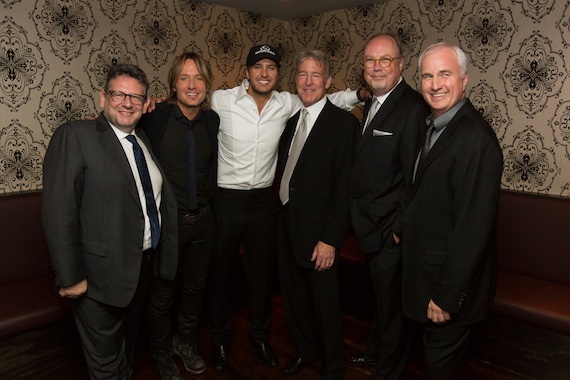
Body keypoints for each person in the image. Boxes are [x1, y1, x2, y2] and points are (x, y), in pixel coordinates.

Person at [207, 44, 363, 371]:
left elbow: (327, 104)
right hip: (228, 201)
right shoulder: (221, 101)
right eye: (258, 67)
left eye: (271, 68)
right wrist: (153, 108)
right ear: (247, 71)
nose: (264, 73)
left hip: (265, 205)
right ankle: (220, 342)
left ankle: (261, 337)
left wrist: (361, 93)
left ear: (278, 75)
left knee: (261, 278)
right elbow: (188, 105)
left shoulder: (287, 104)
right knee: (221, 276)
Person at [42, 64, 178, 380]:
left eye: (136, 97)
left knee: (126, 352)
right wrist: (70, 276)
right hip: (96, 278)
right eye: (119, 94)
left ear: (146, 104)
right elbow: (58, 211)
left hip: (140, 270)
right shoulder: (76, 135)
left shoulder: (142, 139)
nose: (127, 102)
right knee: (106, 367)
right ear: (103, 97)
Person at [399, 42, 503, 379]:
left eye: (444, 74)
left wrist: (446, 297)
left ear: (464, 79)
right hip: (425, 275)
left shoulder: (476, 140)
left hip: (448, 290)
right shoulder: (433, 126)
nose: (435, 84)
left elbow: (473, 229)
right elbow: (420, 188)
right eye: (427, 75)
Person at [346, 33, 428, 379]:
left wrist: (397, 230)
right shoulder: (371, 104)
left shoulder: (411, 107)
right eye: (370, 60)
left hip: (389, 232)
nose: (377, 67)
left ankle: (387, 372)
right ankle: (375, 353)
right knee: (382, 302)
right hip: (368, 226)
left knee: (392, 309)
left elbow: (415, 179)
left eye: (385, 60)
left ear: (400, 64)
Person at [276, 50, 359, 379]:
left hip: (319, 233)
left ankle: (333, 365)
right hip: (286, 224)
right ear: (295, 80)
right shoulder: (292, 122)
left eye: (315, 75)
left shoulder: (343, 125)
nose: (308, 81)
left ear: (327, 82)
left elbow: (345, 189)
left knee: (325, 305)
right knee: (294, 299)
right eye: (302, 75)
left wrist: (331, 239)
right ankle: (306, 350)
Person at [138, 52, 219, 380]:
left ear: (206, 85)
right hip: (168, 225)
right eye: (184, 78)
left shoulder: (212, 122)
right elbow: (118, 124)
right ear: (173, 84)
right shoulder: (156, 117)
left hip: (203, 221)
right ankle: (160, 355)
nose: (191, 84)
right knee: (162, 292)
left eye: (198, 78)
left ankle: (184, 342)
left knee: (196, 288)